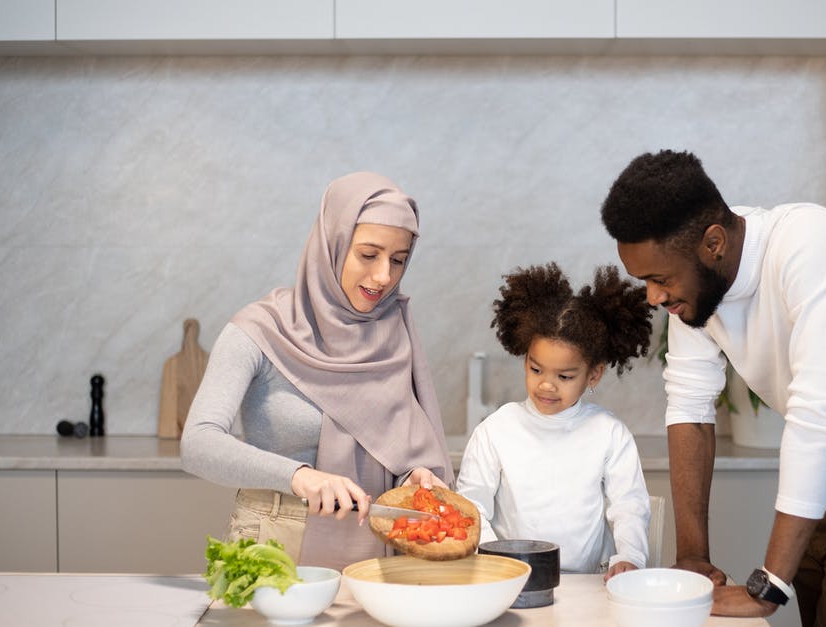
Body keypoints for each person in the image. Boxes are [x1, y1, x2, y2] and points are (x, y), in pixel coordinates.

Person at [599, 149, 826, 626]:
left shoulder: (812, 247)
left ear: (713, 244)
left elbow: (820, 417)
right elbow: (689, 402)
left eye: (659, 279)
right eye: (644, 280)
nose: (653, 296)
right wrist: (693, 561)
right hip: (821, 496)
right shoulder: (696, 283)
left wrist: (769, 584)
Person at [181, 172, 453, 571]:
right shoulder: (260, 329)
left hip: (379, 551)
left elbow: (394, 444)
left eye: (398, 260)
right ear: (331, 244)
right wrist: (300, 477)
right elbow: (198, 444)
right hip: (275, 540)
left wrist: (412, 479)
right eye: (368, 254)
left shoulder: (395, 332)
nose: (383, 276)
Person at [456, 262, 654, 581]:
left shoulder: (608, 433)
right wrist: (496, 561)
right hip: (509, 579)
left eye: (564, 376)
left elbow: (629, 505)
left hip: (586, 582)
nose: (546, 385)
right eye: (536, 370)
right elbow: (470, 506)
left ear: (594, 374)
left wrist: (630, 555)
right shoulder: (496, 430)